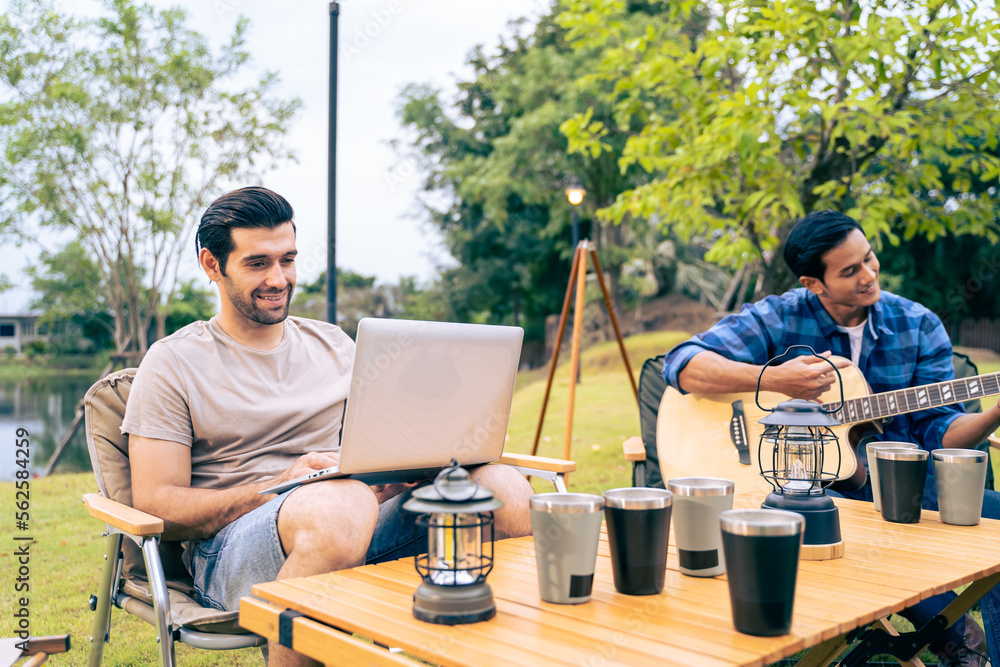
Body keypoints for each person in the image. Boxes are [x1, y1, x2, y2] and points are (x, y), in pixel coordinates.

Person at [122, 186, 535, 667]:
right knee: (339, 507)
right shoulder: (173, 362)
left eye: (288, 260)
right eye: (258, 263)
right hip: (231, 549)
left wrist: (406, 467)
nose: (279, 278)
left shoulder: (334, 345)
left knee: (504, 487)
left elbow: (384, 443)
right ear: (212, 265)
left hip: (353, 516)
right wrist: (278, 488)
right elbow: (155, 503)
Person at [662, 210, 1000, 667]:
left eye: (869, 258)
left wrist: (996, 410)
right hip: (793, 491)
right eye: (850, 270)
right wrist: (773, 379)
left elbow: (940, 430)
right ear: (814, 283)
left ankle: (968, 642)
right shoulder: (778, 316)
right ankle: (953, 632)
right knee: (840, 520)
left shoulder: (916, 324)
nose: (869, 275)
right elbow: (682, 362)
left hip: (901, 486)